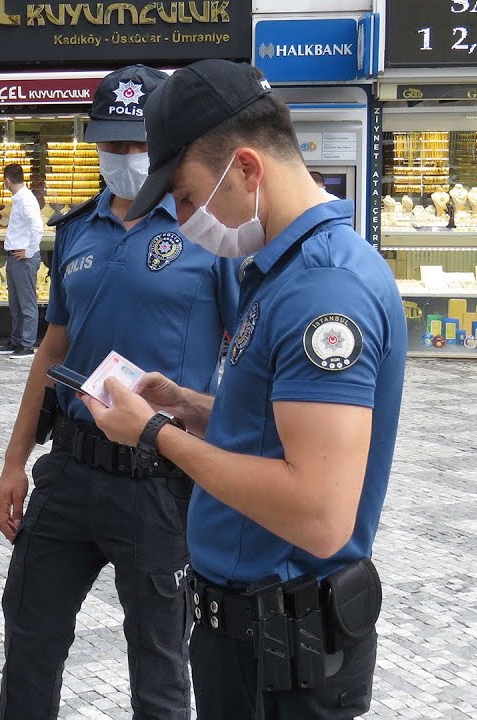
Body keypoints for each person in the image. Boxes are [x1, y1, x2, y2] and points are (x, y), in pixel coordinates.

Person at [82, 59, 406, 719]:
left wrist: (154, 433)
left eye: (190, 197)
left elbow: (317, 514)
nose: (184, 218)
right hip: (251, 637)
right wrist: (194, 407)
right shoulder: (280, 270)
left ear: (248, 170)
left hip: (288, 652)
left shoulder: (323, 290)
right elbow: (277, 427)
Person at [0, 64, 238, 720]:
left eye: (137, 145)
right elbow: (53, 350)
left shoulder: (212, 233)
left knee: (160, 663)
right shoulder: (75, 228)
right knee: (28, 639)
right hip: (70, 471)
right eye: (111, 143)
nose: (124, 158)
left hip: (159, 481)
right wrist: (15, 461)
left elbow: (250, 359)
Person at [0, 163, 44, 359]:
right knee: (15, 303)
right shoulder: (20, 199)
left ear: (7, 180)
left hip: (23, 258)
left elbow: (37, 227)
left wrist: (29, 252)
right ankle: (16, 340)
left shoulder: (26, 200)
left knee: (26, 303)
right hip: (16, 257)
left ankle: (27, 344)